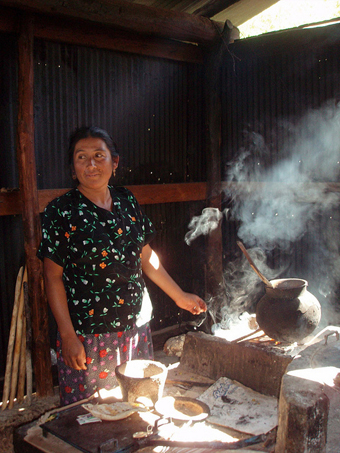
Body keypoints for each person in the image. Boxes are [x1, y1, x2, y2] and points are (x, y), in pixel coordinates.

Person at [38, 126, 207, 406]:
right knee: (91, 412)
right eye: (81, 157)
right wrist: (68, 336)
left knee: (136, 405)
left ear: (114, 162)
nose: (91, 164)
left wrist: (179, 296)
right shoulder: (61, 211)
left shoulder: (127, 200)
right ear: (73, 167)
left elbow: (146, 257)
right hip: (89, 336)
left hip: (136, 328)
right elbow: (52, 276)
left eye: (98, 155)